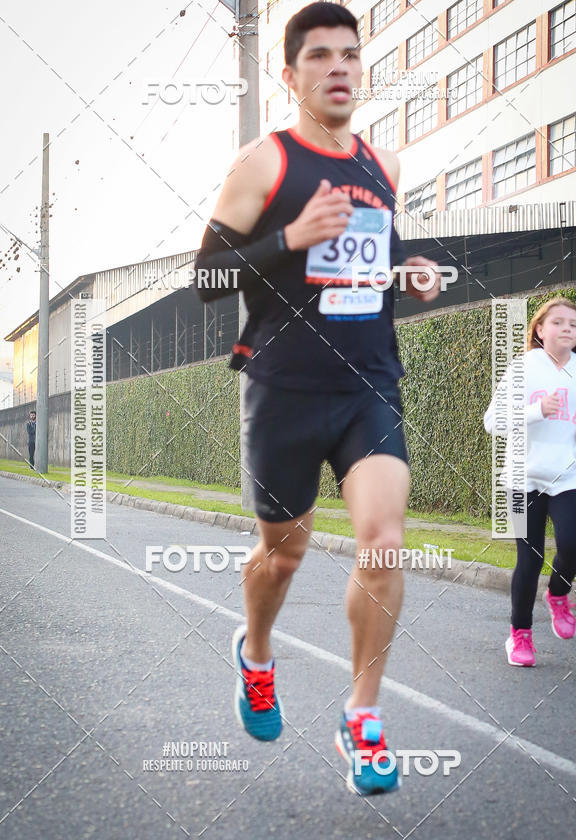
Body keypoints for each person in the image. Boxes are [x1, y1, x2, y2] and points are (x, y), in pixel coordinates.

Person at [194, 2, 441, 796]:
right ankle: (257, 656)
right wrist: (289, 238)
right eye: (321, 56)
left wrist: (413, 271)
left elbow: (377, 255)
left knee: (384, 538)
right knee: (284, 552)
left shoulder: (384, 166)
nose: (339, 67)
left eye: (350, 55)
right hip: (283, 387)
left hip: (367, 382)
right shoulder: (263, 163)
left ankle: (361, 717)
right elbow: (204, 279)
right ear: (290, 72)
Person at [484, 298, 576, 667]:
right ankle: (520, 636)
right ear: (539, 329)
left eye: (574, 325)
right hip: (521, 480)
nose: (567, 329)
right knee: (529, 560)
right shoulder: (522, 368)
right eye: (559, 323)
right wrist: (536, 411)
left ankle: (558, 594)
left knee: (573, 545)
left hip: (568, 476)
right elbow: (492, 421)